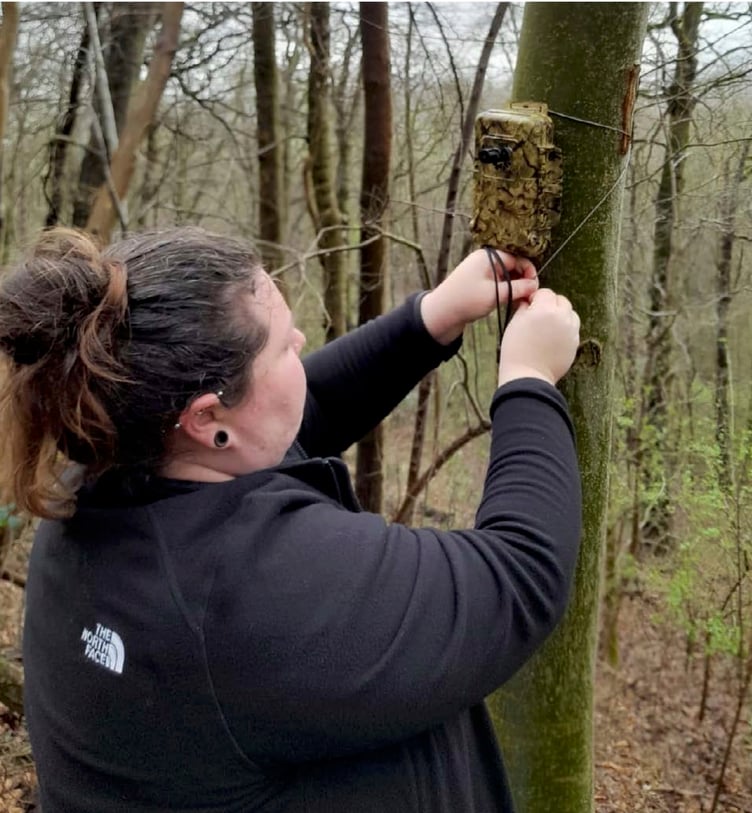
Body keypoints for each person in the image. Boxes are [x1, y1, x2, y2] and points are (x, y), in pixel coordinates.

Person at [0, 226, 582, 813]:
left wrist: (430, 319)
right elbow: (520, 576)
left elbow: (297, 417)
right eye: (282, 346)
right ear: (206, 418)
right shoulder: (250, 592)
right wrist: (529, 381)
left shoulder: (104, 472)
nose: (301, 339)